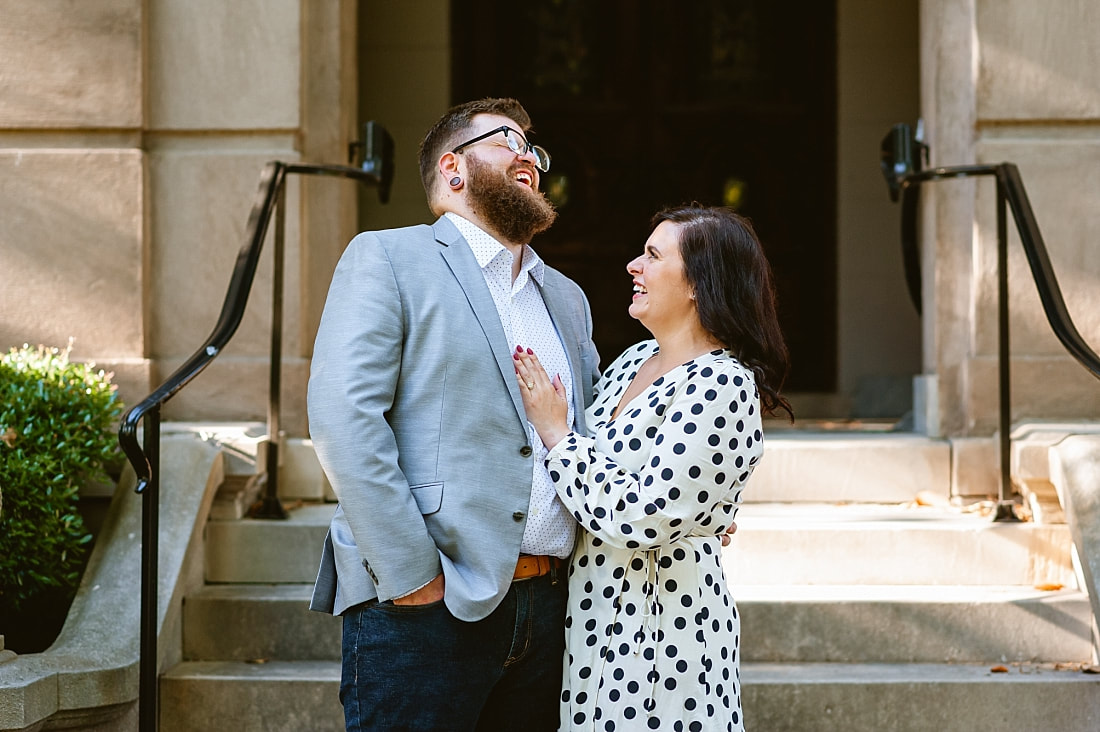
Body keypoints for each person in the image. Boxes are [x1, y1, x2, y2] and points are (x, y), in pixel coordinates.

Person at [306, 98, 601, 731]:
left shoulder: (568, 299)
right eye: (506, 141)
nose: (529, 156)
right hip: (424, 611)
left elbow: (594, 436)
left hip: (549, 608)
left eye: (534, 149)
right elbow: (343, 417)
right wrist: (412, 577)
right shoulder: (387, 258)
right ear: (453, 168)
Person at [513, 204, 792, 731]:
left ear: (697, 284)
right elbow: (603, 481)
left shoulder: (721, 384)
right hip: (593, 626)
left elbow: (641, 514)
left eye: (653, 255)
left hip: (663, 636)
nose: (632, 266)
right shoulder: (630, 363)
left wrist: (556, 434)